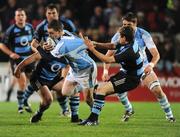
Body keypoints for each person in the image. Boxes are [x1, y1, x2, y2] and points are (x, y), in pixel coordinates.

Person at [101, 12, 175, 122]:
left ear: (135, 24)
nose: (125, 27)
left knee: (157, 90)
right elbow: (108, 55)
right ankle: (129, 109)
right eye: (124, 25)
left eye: (128, 25)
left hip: (143, 66)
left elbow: (156, 54)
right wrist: (105, 71)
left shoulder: (143, 34)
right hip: (127, 69)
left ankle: (169, 115)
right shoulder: (118, 36)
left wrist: (151, 65)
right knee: (118, 90)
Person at [79, 26, 144, 126]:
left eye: (119, 36)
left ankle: (93, 119)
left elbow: (107, 60)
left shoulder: (129, 51)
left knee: (101, 91)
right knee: (99, 91)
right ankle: (94, 117)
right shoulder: (129, 42)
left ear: (125, 38)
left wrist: (92, 49)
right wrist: (95, 43)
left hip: (131, 79)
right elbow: (112, 45)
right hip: (126, 74)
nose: (118, 39)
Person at [14, 37, 81, 123]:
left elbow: (67, 66)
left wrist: (63, 78)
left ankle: (74, 117)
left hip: (52, 79)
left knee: (74, 89)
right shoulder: (45, 52)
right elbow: (31, 58)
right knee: (48, 100)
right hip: (38, 79)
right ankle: (38, 113)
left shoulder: (66, 56)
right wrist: (18, 68)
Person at [31, 3, 77, 117]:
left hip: (64, 62)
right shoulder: (41, 27)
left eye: (54, 13)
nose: (51, 15)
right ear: (45, 14)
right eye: (49, 13)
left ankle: (68, 112)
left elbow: (76, 39)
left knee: (67, 87)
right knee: (47, 91)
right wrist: (41, 51)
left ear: (58, 13)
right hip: (48, 62)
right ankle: (26, 103)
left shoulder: (67, 24)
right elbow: (33, 43)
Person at [48, 19, 97, 108]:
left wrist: (39, 48)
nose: (49, 35)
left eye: (51, 33)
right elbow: (78, 35)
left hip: (86, 68)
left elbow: (49, 58)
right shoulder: (65, 32)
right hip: (74, 68)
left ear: (59, 31)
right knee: (65, 92)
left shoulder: (63, 44)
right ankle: (87, 86)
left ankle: (95, 116)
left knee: (88, 100)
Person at [0, 8, 35, 113]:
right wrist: (11, 53)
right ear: (15, 18)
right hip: (17, 60)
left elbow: (34, 41)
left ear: (25, 16)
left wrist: (36, 51)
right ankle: (20, 106)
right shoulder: (11, 30)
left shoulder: (30, 27)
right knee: (22, 82)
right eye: (18, 15)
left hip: (29, 59)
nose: (20, 17)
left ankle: (24, 101)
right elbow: (1, 45)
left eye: (22, 15)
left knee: (34, 82)